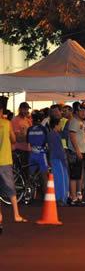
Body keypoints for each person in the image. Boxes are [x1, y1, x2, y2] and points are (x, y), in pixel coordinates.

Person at [0, 96, 27, 232]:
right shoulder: (6, 123)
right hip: (5, 160)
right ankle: (16, 214)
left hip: (4, 160)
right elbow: (13, 139)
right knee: (11, 189)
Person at [67, 102, 85, 206]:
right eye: (81, 111)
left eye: (84, 110)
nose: (84, 113)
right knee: (74, 175)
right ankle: (73, 198)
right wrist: (78, 150)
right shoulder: (74, 121)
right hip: (75, 152)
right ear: (76, 112)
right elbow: (72, 136)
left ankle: (77, 196)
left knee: (78, 174)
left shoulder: (80, 122)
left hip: (80, 151)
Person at [26, 111, 50, 191]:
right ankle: (46, 195)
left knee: (30, 175)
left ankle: (28, 194)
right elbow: (47, 142)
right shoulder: (43, 129)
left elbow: (28, 142)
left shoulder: (29, 129)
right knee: (44, 175)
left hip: (32, 154)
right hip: (41, 154)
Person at [47, 118, 69, 205]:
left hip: (53, 158)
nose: (61, 126)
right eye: (59, 124)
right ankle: (62, 199)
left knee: (56, 179)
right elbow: (59, 150)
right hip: (58, 159)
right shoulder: (55, 135)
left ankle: (58, 198)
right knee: (62, 179)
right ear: (56, 125)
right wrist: (64, 160)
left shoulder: (50, 134)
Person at [11, 102, 32, 172]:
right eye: (24, 109)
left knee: (27, 173)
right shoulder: (15, 120)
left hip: (28, 150)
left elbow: (30, 134)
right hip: (19, 151)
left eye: (27, 109)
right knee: (21, 172)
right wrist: (29, 138)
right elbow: (18, 138)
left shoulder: (28, 120)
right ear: (20, 109)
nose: (26, 111)